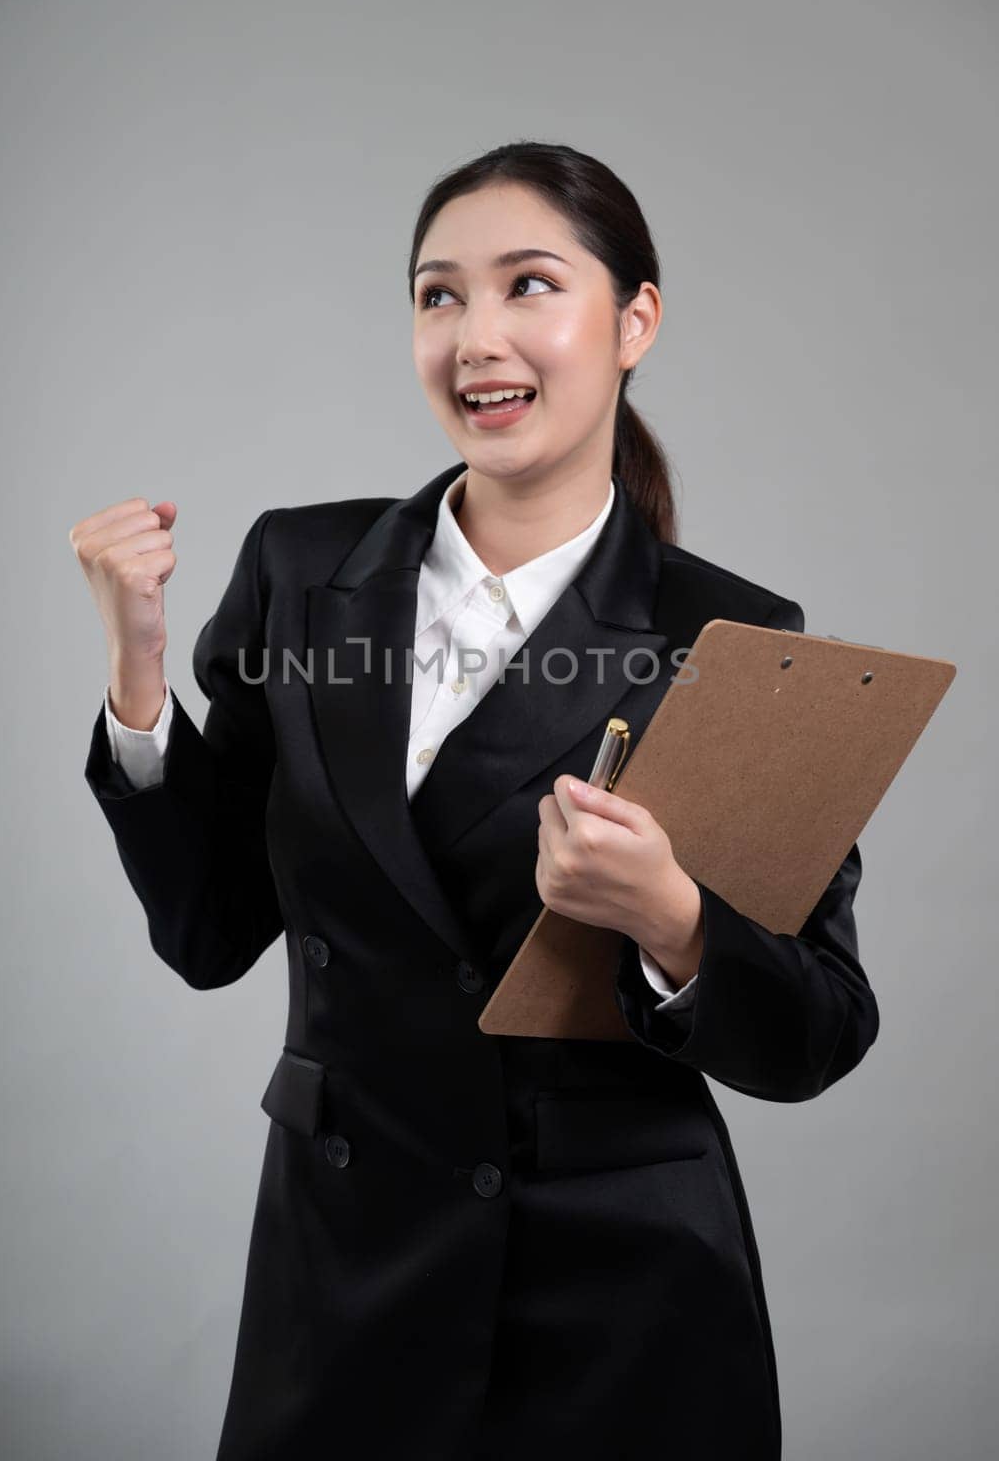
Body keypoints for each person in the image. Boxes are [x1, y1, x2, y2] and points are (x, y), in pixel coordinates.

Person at [71, 140, 880, 1459]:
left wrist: (673, 919)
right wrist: (140, 672)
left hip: (620, 1299)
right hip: (344, 1273)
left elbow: (820, 1028)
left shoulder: (729, 635)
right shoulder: (301, 570)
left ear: (635, 322)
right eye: (438, 295)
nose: (475, 338)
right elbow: (209, 930)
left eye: (528, 286)